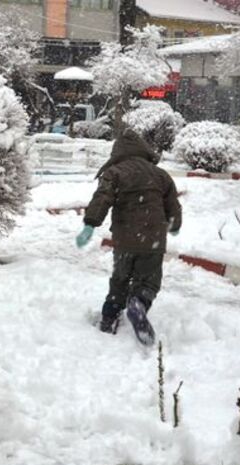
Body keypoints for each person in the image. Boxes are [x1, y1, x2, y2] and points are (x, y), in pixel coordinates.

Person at [76, 130, 183, 345]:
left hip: (125, 238)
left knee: (120, 278)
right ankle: (139, 303)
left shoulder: (115, 172)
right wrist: (174, 225)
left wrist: (90, 225)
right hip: (154, 237)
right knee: (148, 278)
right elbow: (173, 204)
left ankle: (109, 316)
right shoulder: (160, 174)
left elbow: (102, 198)